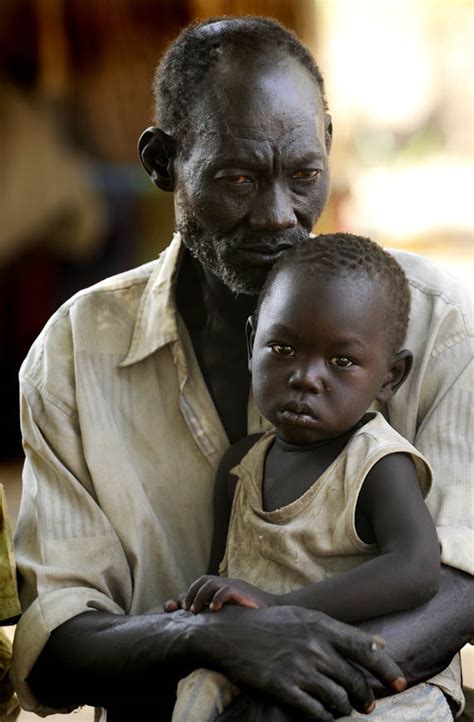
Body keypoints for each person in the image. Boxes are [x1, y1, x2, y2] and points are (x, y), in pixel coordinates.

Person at [12, 16, 473, 722]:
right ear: (163, 162)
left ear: (326, 144)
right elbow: (60, 643)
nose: (278, 216)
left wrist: (283, 687)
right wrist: (218, 640)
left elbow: (458, 582)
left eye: (304, 175)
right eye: (237, 177)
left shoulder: (435, 323)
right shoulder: (76, 351)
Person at [168, 232, 450, 721]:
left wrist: (281, 607)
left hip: (367, 686)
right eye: (283, 347)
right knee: (193, 694)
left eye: (341, 361)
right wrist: (203, 607)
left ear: (390, 377)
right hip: (254, 659)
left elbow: (417, 569)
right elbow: (229, 576)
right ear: (252, 342)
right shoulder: (240, 468)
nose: (306, 376)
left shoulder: (376, 464)